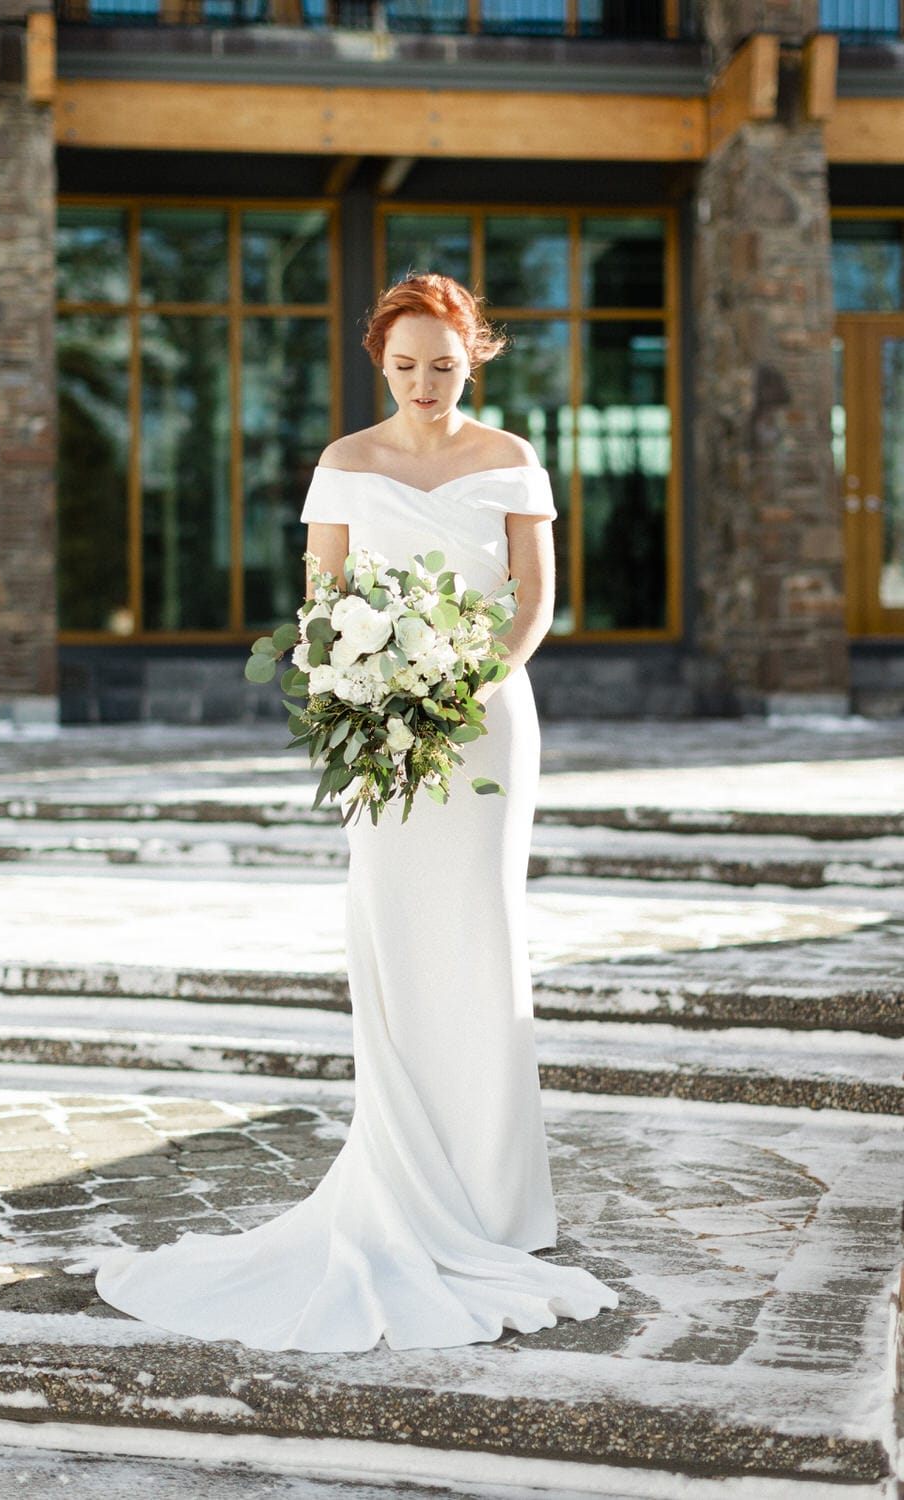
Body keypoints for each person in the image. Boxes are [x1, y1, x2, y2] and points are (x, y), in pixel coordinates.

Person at [94, 274, 619, 1350]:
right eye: (405, 365)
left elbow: (533, 603)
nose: (425, 383)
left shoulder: (511, 460)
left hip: (484, 726)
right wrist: (376, 696)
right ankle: (400, 1177)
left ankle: (496, 1197)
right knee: (391, 937)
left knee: (483, 935)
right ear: (378, 364)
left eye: (444, 362)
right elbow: (322, 608)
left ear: (474, 354)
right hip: (379, 731)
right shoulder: (344, 465)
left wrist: (464, 686)